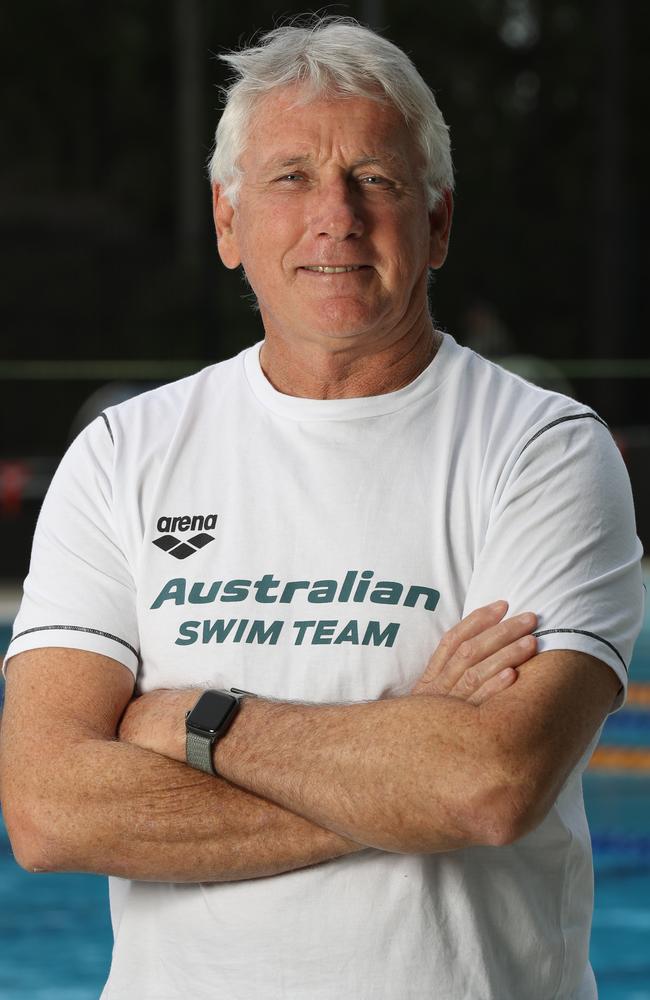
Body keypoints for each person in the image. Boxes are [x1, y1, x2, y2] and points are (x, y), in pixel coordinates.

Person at [0, 16, 643, 1000]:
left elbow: (488, 785)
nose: (333, 215)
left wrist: (196, 725)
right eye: (290, 176)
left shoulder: (540, 451)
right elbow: (48, 810)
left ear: (435, 224)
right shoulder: (125, 457)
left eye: (375, 179)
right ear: (228, 221)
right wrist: (407, 764)